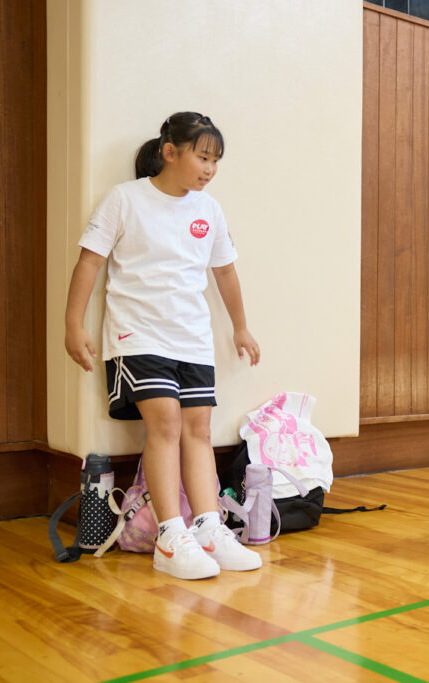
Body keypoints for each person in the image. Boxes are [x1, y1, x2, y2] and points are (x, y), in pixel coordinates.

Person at [64, 112, 262, 580]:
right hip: (139, 335)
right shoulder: (125, 199)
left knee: (199, 427)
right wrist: (73, 323)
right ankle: (170, 537)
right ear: (170, 152)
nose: (210, 169)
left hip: (191, 338)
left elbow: (225, 272)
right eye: (203, 156)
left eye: (216, 160)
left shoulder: (208, 209)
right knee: (167, 424)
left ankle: (209, 527)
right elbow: (89, 262)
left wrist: (241, 326)